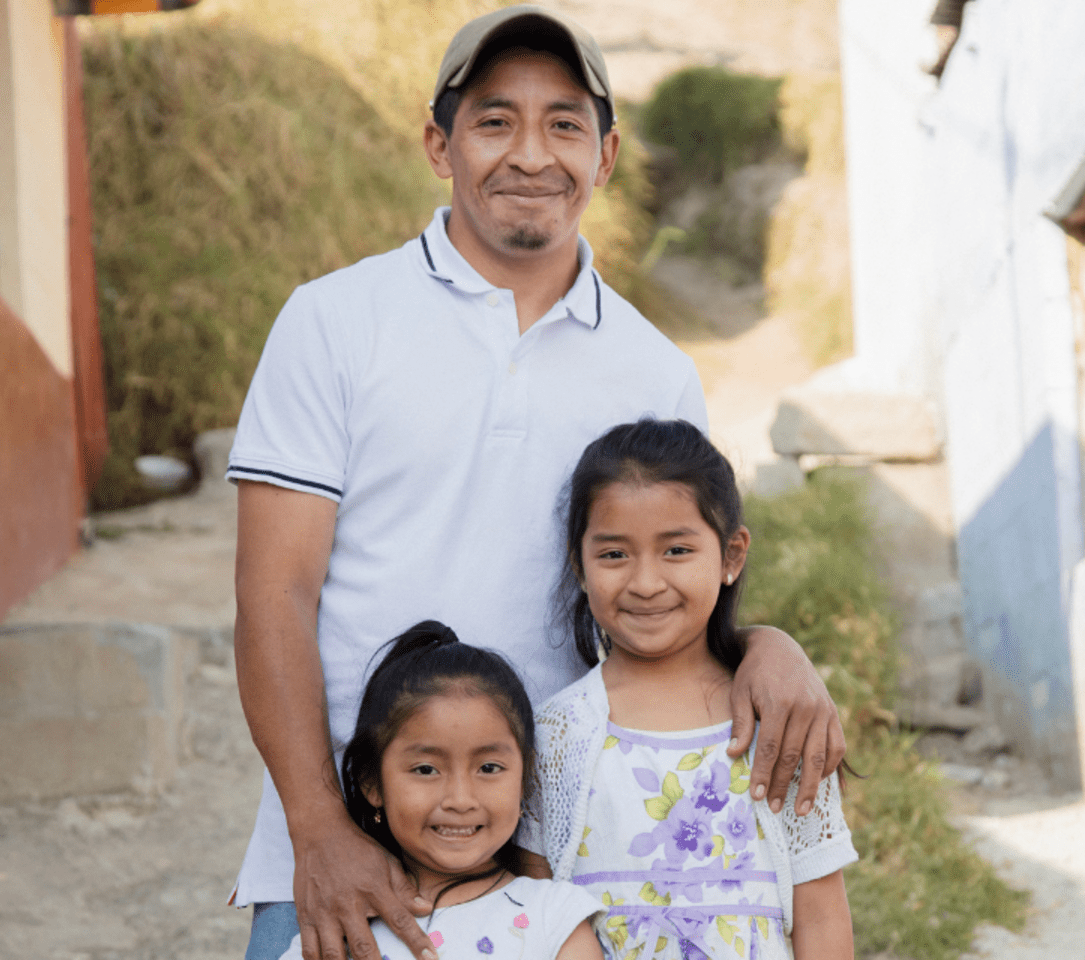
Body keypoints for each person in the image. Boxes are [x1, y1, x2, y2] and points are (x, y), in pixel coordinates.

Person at [227, 6, 845, 960]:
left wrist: (764, 642)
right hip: (354, 859)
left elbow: (672, 585)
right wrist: (320, 831)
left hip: (568, 876)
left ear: (604, 158)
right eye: (493, 119)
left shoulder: (656, 371)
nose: (531, 153)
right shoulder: (334, 323)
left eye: (565, 123)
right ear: (440, 144)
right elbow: (274, 592)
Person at [518, 419, 857, 960]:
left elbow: (822, 917)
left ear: (731, 556)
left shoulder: (778, 724)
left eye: (676, 550)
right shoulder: (554, 737)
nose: (646, 582)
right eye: (613, 555)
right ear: (578, 565)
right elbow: (532, 917)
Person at [277, 621, 606, 960]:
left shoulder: (555, 919)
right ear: (371, 782)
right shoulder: (343, 930)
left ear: (525, 781)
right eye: (426, 770)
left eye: (489, 768)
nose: (460, 800)